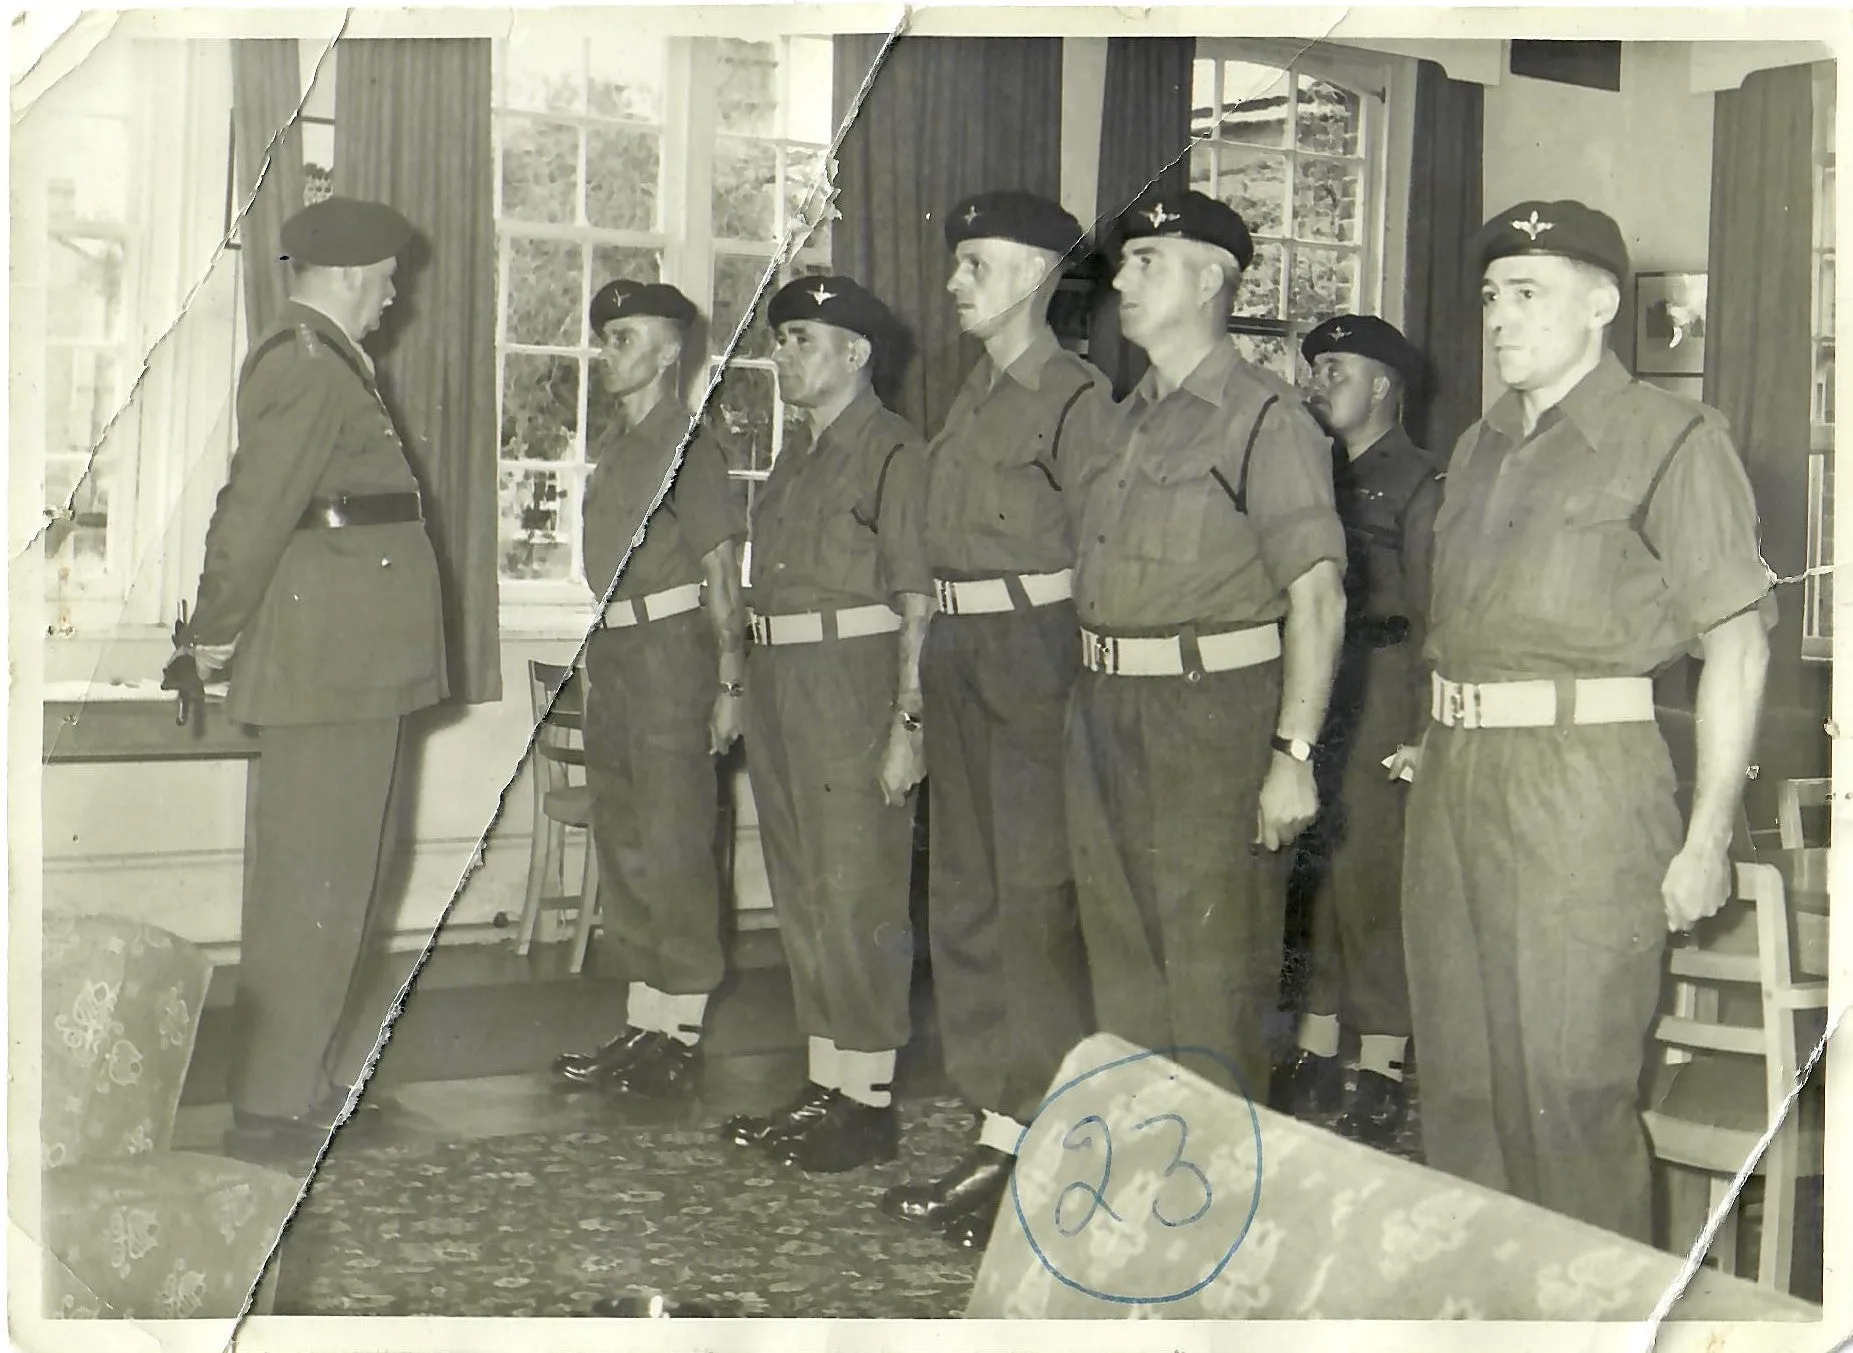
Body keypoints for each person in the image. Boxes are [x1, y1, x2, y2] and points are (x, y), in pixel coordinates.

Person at [1403, 199, 1771, 1241]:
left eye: (1526, 294)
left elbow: (1736, 644)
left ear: (1600, 305)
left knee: (1565, 1095)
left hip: (1584, 793)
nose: (1497, 320)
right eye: (1489, 297)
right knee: (1462, 1095)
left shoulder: (1672, 442)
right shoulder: (1477, 449)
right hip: (1454, 785)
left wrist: (1703, 839)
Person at [167, 196, 443, 1166]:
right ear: (350, 273)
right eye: (385, 277)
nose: (393, 293)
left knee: (339, 884)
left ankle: (303, 1079)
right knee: (307, 889)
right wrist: (210, 635)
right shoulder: (304, 364)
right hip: (327, 667)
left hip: (352, 666)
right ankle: (273, 1102)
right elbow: (253, 516)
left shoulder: (328, 363)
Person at [1063, 188, 1348, 1104]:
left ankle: (1220, 1213)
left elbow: (1317, 596)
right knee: (1122, 967)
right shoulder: (1121, 416)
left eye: (1147, 261)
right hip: (1104, 710)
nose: (1121, 278)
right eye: (1124, 261)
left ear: (1213, 279)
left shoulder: (1267, 419)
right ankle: (1152, 1191)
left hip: (1209, 719)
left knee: (1211, 978)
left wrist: (1291, 757)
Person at [879, 191, 1111, 1250]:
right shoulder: (967, 399)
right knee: (965, 901)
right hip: (964, 654)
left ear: (1031, 274)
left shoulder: (1075, 400)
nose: (953, 284)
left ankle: (1038, 1140)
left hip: (1037, 657)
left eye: (974, 264)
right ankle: (993, 1125)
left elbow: (1105, 559)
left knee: (1033, 904)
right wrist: (918, 694)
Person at [719, 275, 933, 1173]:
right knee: (802, 888)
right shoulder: (794, 458)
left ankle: (870, 1102)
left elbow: (919, 602)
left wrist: (907, 722)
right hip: (782, 684)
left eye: (800, 338)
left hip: (853, 682)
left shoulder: (895, 454)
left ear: (856, 353)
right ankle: (825, 1083)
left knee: (859, 893)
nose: (781, 356)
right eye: (779, 339)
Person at [548, 280, 747, 1098]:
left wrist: (730, 680)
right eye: (604, 339)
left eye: (624, 338)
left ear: (669, 352)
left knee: (673, 844)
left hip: (672, 652)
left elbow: (721, 577)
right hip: (618, 653)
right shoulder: (618, 444)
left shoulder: (687, 444)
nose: (607, 353)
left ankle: (683, 1033)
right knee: (624, 837)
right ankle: (644, 1022)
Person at [1272, 315, 1442, 1146]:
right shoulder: (1305, 472)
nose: (1315, 383)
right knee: (1313, 878)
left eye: (1332, 369)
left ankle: (1377, 1065)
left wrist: (1422, 728)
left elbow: (1436, 615)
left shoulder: (1420, 480)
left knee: (1371, 884)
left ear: (1380, 385)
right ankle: (1313, 1047)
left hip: (1381, 694)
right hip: (1313, 696)